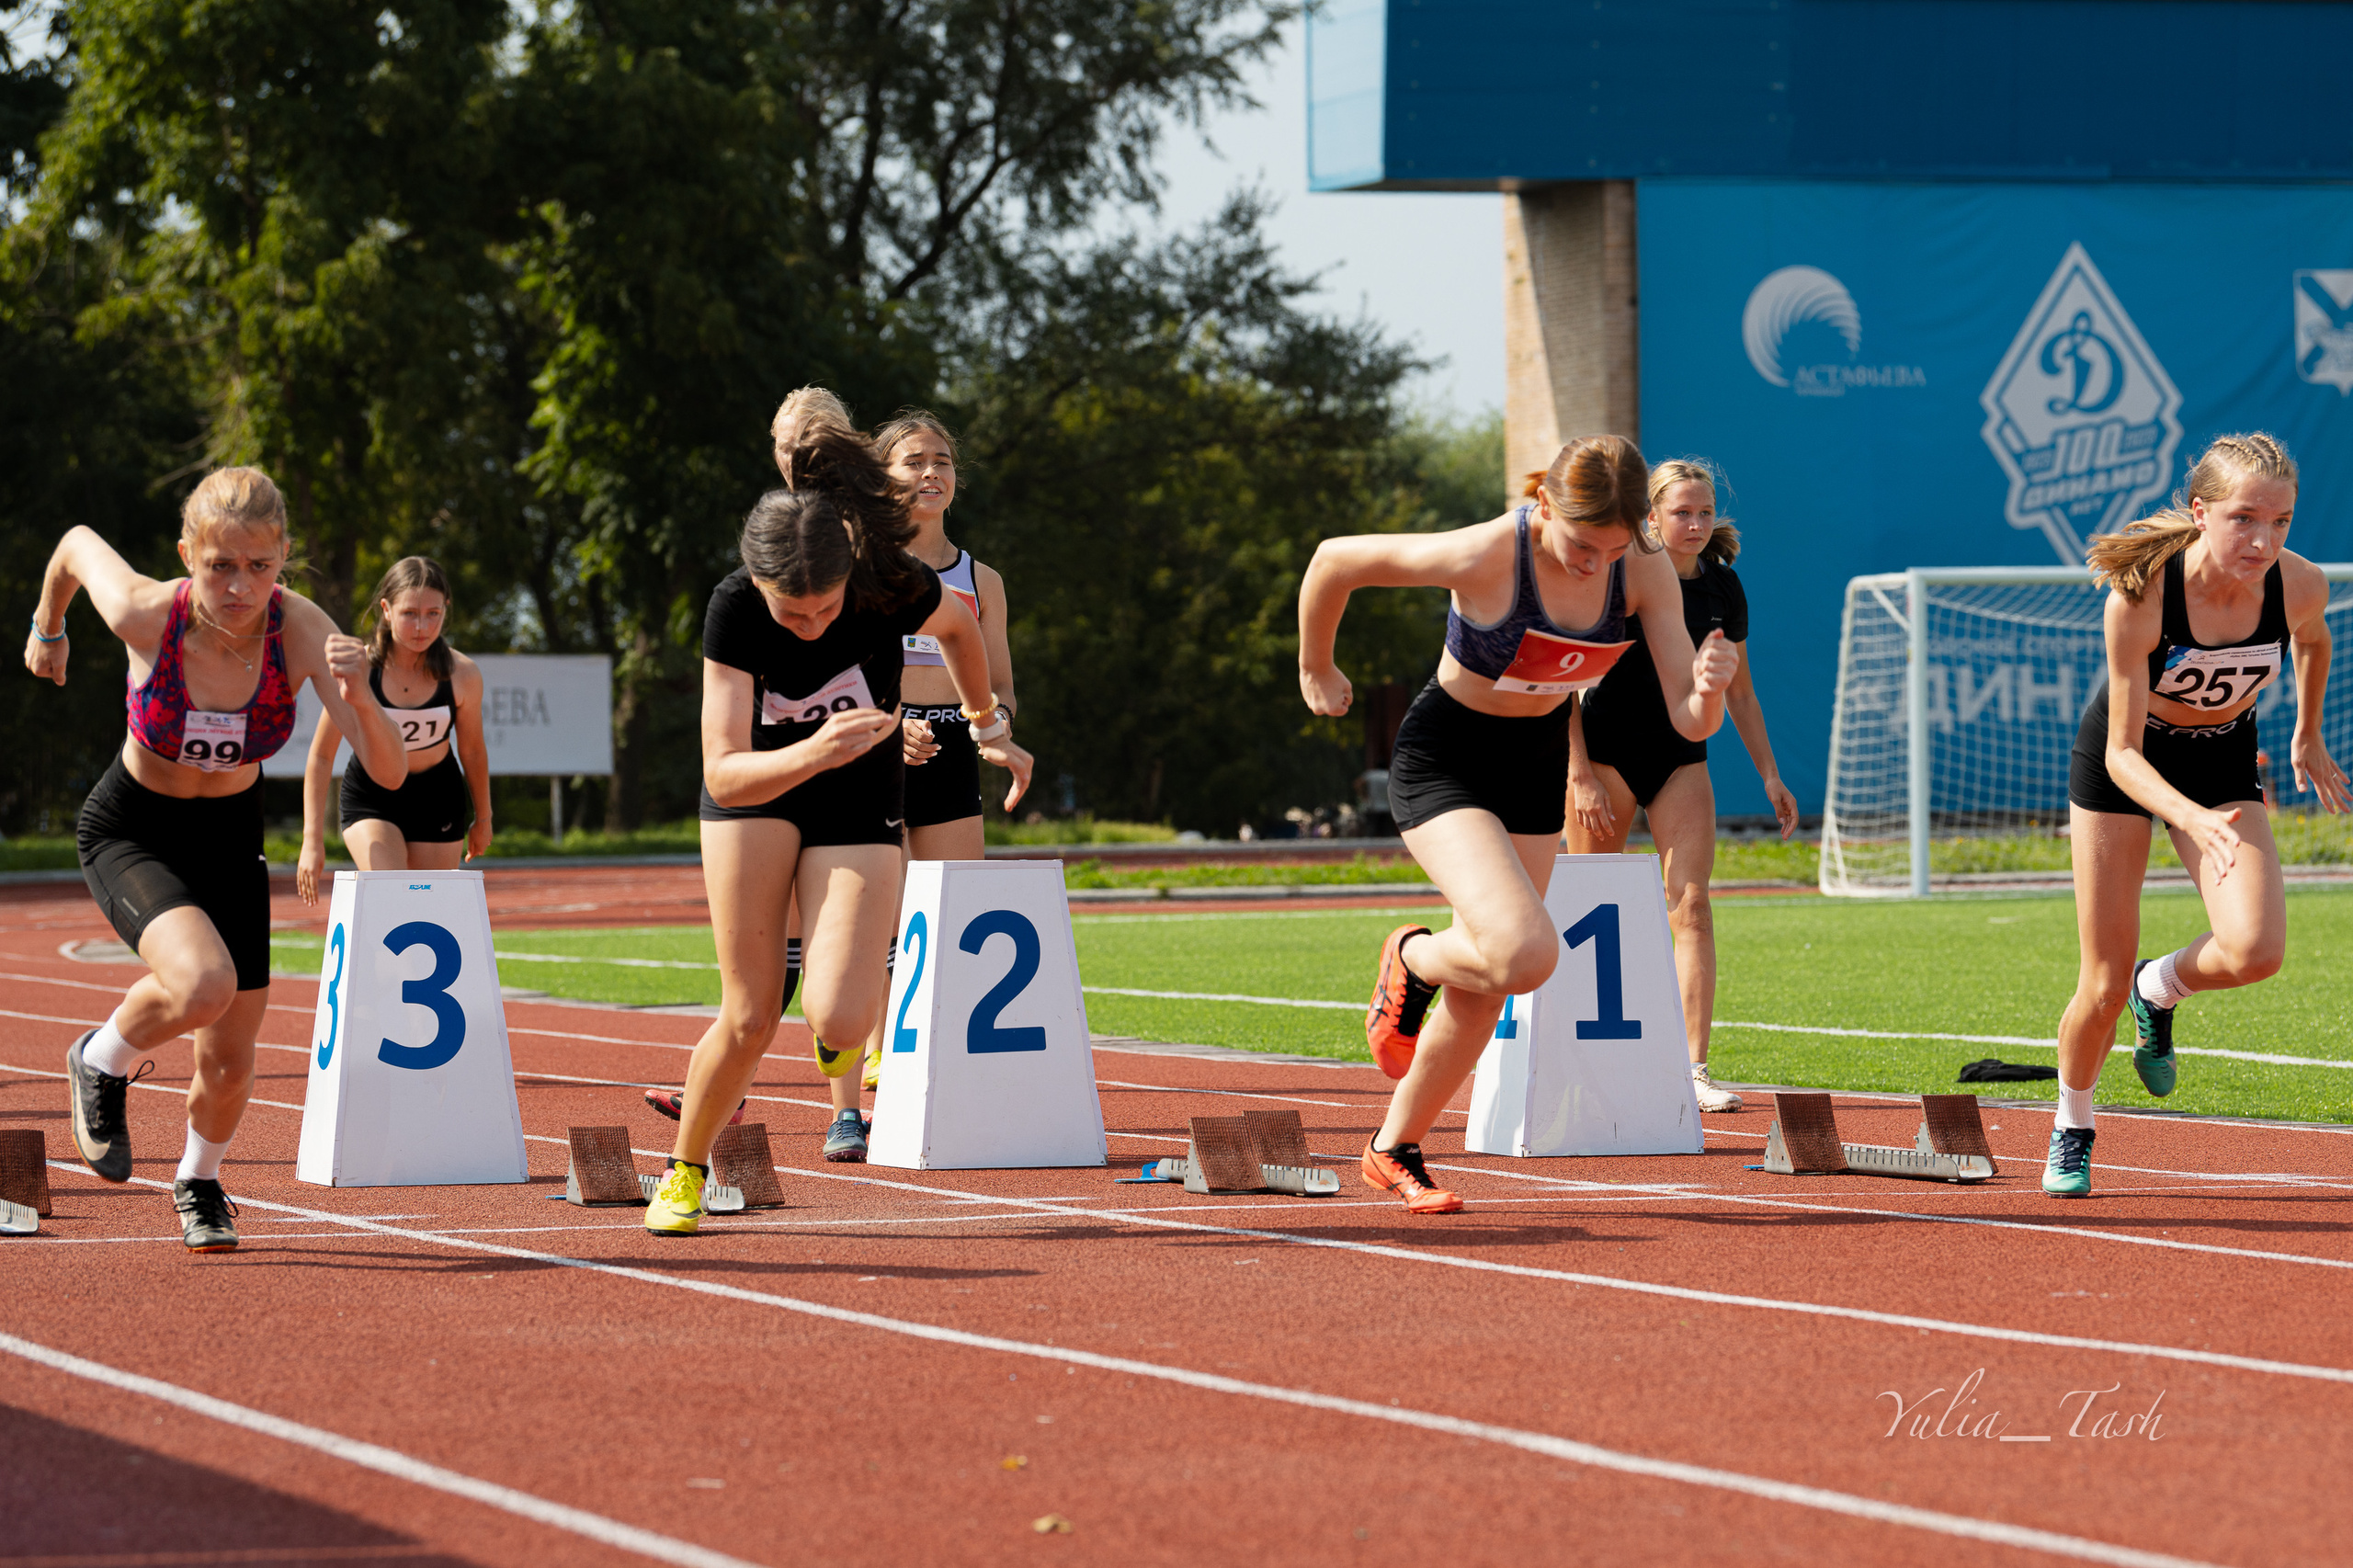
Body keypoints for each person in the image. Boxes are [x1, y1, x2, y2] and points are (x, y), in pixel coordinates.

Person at [1296, 435, 1736, 1213]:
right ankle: (1415, 956)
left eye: (1612, 549)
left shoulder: (1641, 568)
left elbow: (1689, 721)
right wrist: (1317, 665)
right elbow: (1335, 560)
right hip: (1448, 759)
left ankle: (1394, 1147)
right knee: (1526, 953)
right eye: (1580, 547)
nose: (1594, 566)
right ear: (1544, 509)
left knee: (1493, 980)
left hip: (1534, 767)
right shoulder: (1489, 552)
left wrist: (1708, 691)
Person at [647, 410, 1034, 1235]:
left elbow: (960, 628)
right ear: (760, 587)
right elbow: (723, 771)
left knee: (843, 1017)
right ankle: (683, 1173)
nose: (813, 626)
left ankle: (837, 1043)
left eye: (825, 609)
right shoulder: (733, 607)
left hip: (860, 795)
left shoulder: (889, 580)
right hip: (757, 795)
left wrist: (986, 723)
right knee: (751, 1015)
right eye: (794, 615)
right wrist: (814, 748)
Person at [25, 468, 405, 1252]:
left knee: (231, 1059)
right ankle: (100, 1057)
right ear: (186, 556)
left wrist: (362, 698)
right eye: (219, 566)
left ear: (284, 557)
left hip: (230, 836)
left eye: (259, 567)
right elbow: (73, 546)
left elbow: (390, 773)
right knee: (203, 983)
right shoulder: (145, 611)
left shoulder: (301, 631)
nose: (239, 587)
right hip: (134, 828)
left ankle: (198, 1182)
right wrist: (48, 627)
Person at [2052, 433, 2347, 1198]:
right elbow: (2122, 754)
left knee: (2256, 951)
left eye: (2280, 522)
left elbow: (2315, 641)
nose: (2263, 541)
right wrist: (2191, 817)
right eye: (2244, 518)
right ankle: (2073, 1124)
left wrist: (2308, 732)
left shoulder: (2299, 584)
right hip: (2125, 766)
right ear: (2201, 512)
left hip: (2221, 760)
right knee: (2101, 984)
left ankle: (2160, 987)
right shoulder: (2142, 598)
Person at [1565, 460, 1801, 1113]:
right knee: (1589, 910)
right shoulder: (1616, 577)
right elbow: (1563, 684)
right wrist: (1578, 773)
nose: (1695, 524)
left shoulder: (1724, 587)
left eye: (1704, 512)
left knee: (1692, 906)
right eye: (1681, 513)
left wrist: (1771, 774)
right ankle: (1577, 1062)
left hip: (1680, 758)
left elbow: (1740, 691)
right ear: (1651, 517)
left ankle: (1692, 1069)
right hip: (1604, 757)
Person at [851, 410, 1020, 1103]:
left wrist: (994, 729)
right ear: (882, 476)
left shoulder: (983, 579)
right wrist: (888, 726)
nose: (931, 473)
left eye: (943, 461)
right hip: (873, 745)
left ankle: (937, 1056)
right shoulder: (858, 566)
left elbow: (1002, 688)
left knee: (952, 911)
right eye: (914, 461)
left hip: (952, 745)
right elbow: (833, 674)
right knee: (876, 914)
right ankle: (875, 1050)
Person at [295, 556, 491, 902]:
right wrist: (312, 839)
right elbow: (322, 755)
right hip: (372, 795)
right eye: (409, 613)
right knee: (392, 892)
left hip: (437, 795)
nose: (422, 627)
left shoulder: (463, 674)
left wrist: (484, 818)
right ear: (386, 609)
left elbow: (472, 750)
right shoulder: (360, 671)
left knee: (428, 905)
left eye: (433, 613)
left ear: (446, 609)